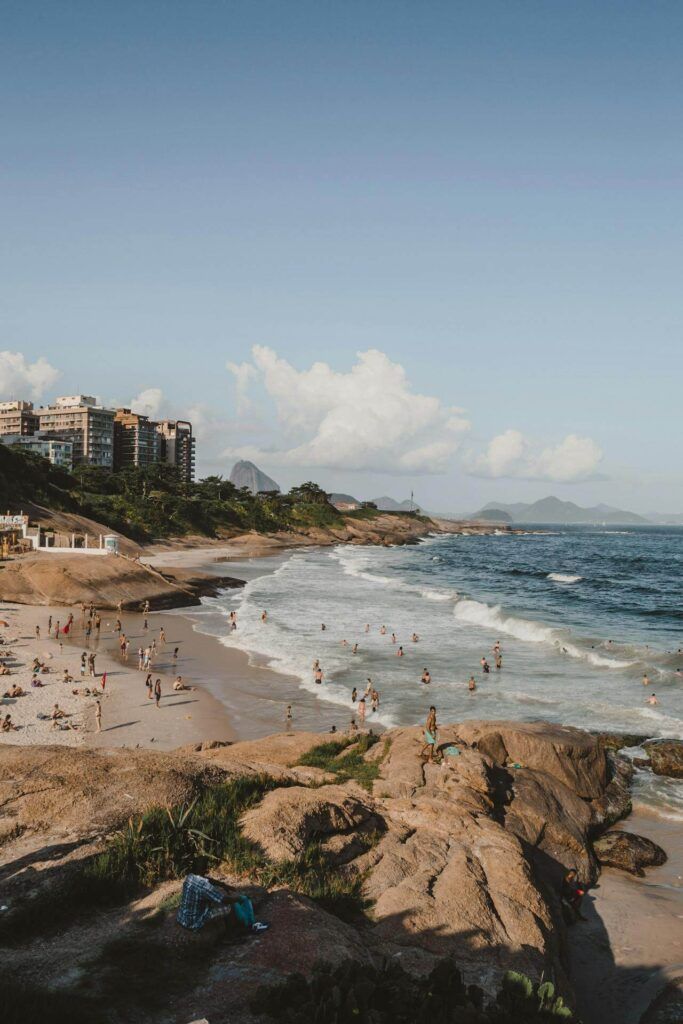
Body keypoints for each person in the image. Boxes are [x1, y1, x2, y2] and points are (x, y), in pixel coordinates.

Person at [176, 874, 268, 933]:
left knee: (212, 901)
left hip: (183, 917)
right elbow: (224, 900)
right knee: (228, 907)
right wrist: (239, 899)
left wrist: (223, 885)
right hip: (194, 921)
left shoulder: (190, 877)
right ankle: (231, 933)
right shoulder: (205, 887)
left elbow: (208, 879)